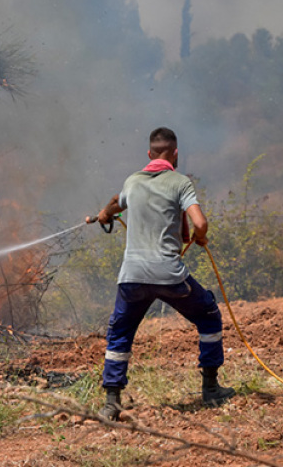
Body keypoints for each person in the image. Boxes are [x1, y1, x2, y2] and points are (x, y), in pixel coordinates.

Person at [85, 127, 235, 422]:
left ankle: (111, 402)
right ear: (175, 154)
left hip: (132, 277)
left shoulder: (133, 181)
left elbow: (117, 202)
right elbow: (200, 223)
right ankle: (211, 388)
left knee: (120, 333)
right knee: (208, 314)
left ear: (149, 154)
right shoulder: (180, 183)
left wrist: (104, 213)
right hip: (169, 276)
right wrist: (199, 236)